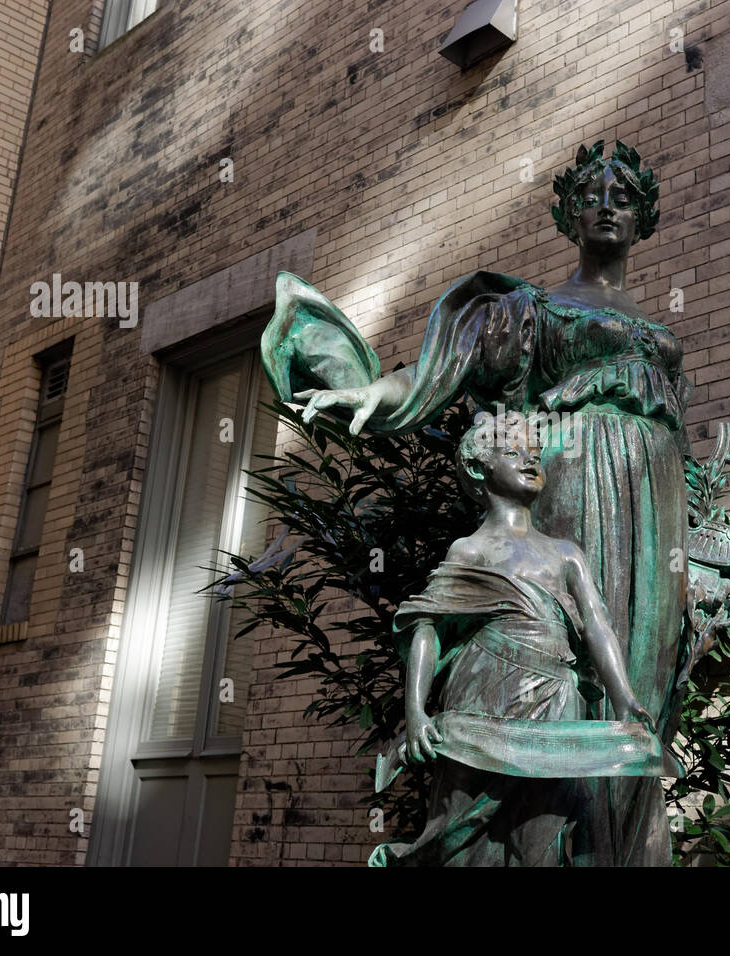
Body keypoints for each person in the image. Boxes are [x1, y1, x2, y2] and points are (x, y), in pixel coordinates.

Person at [264, 140, 690, 865]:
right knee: (578, 653)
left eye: (624, 195)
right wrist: (375, 391)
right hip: (580, 482)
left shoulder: (649, 319)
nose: (609, 205)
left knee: (645, 676)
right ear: (569, 213)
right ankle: (564, 846)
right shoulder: (536, 310)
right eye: (593, 193)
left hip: (658, 500)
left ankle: (628, 847)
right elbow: (442, 370)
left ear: (644, 213)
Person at [370, 411, 654, 866]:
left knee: (545, 833)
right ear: (481, 468)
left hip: (555, 701)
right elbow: (428, 627)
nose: (529, 460)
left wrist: (623, 697)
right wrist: (416, 712)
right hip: (482, 702)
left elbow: (597, 623)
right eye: (513, 452)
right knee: (465, 834)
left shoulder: (566, 554)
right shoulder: (470, 551)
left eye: (535, 454)